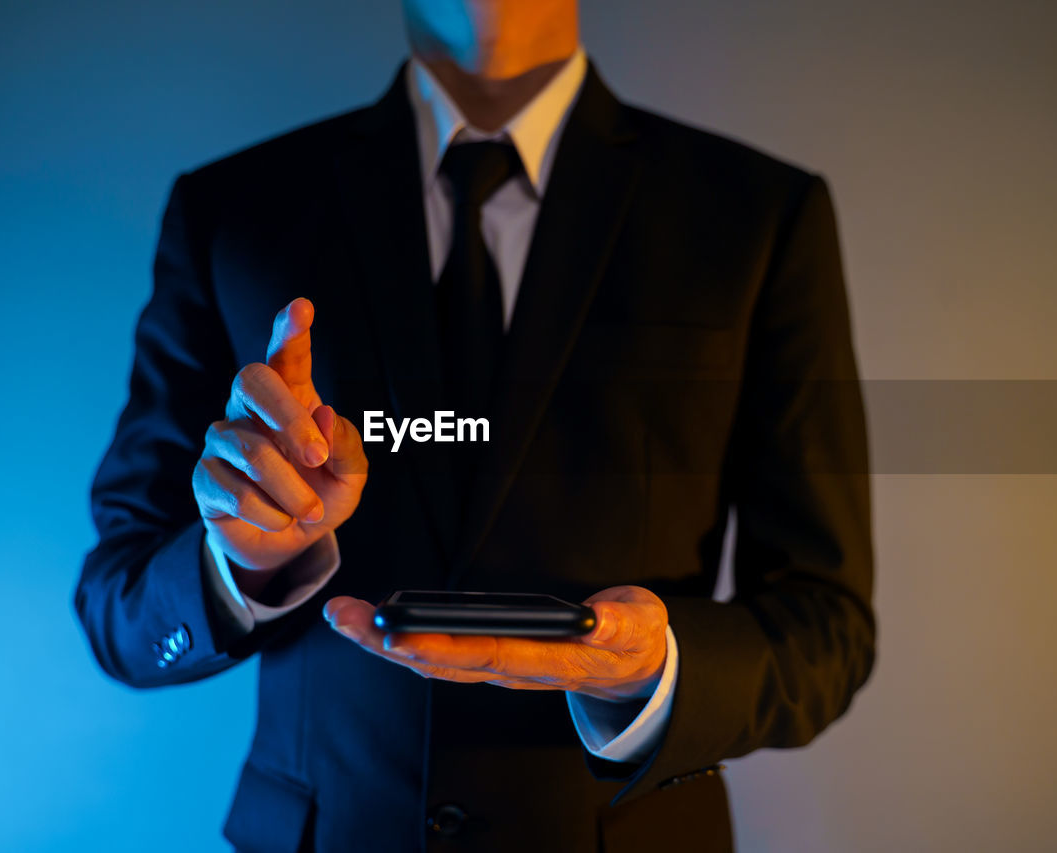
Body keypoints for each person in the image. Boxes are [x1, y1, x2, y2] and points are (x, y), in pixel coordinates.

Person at [74, 0, 875, 850]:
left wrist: (659, 668)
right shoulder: (231, 209)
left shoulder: (759, 217)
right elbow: (117, 604)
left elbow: (825, 624)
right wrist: (239, 563)